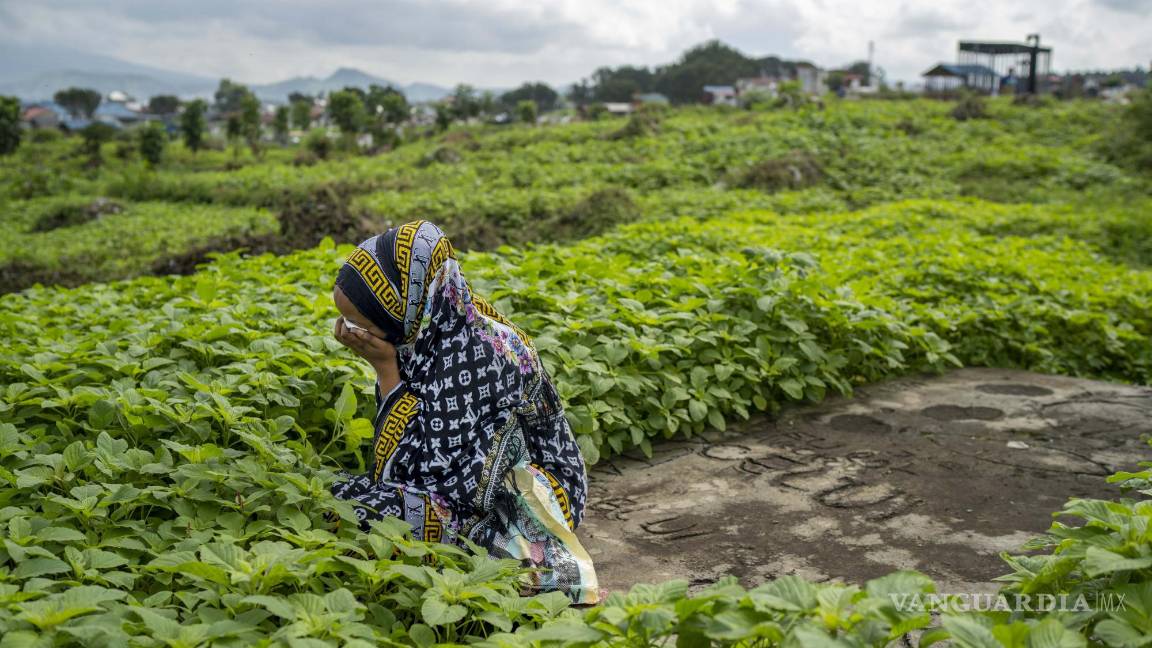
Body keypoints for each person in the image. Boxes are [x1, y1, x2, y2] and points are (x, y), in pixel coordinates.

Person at [328, 220, 601, 605]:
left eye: (362, 324)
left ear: (407, 307)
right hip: (469, 481)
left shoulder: (481, 354)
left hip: (529, 491)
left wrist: (386, 370)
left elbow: (435, 481)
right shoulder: (436, 327)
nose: (350, 332)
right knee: (339, 500)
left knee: (365, 510)